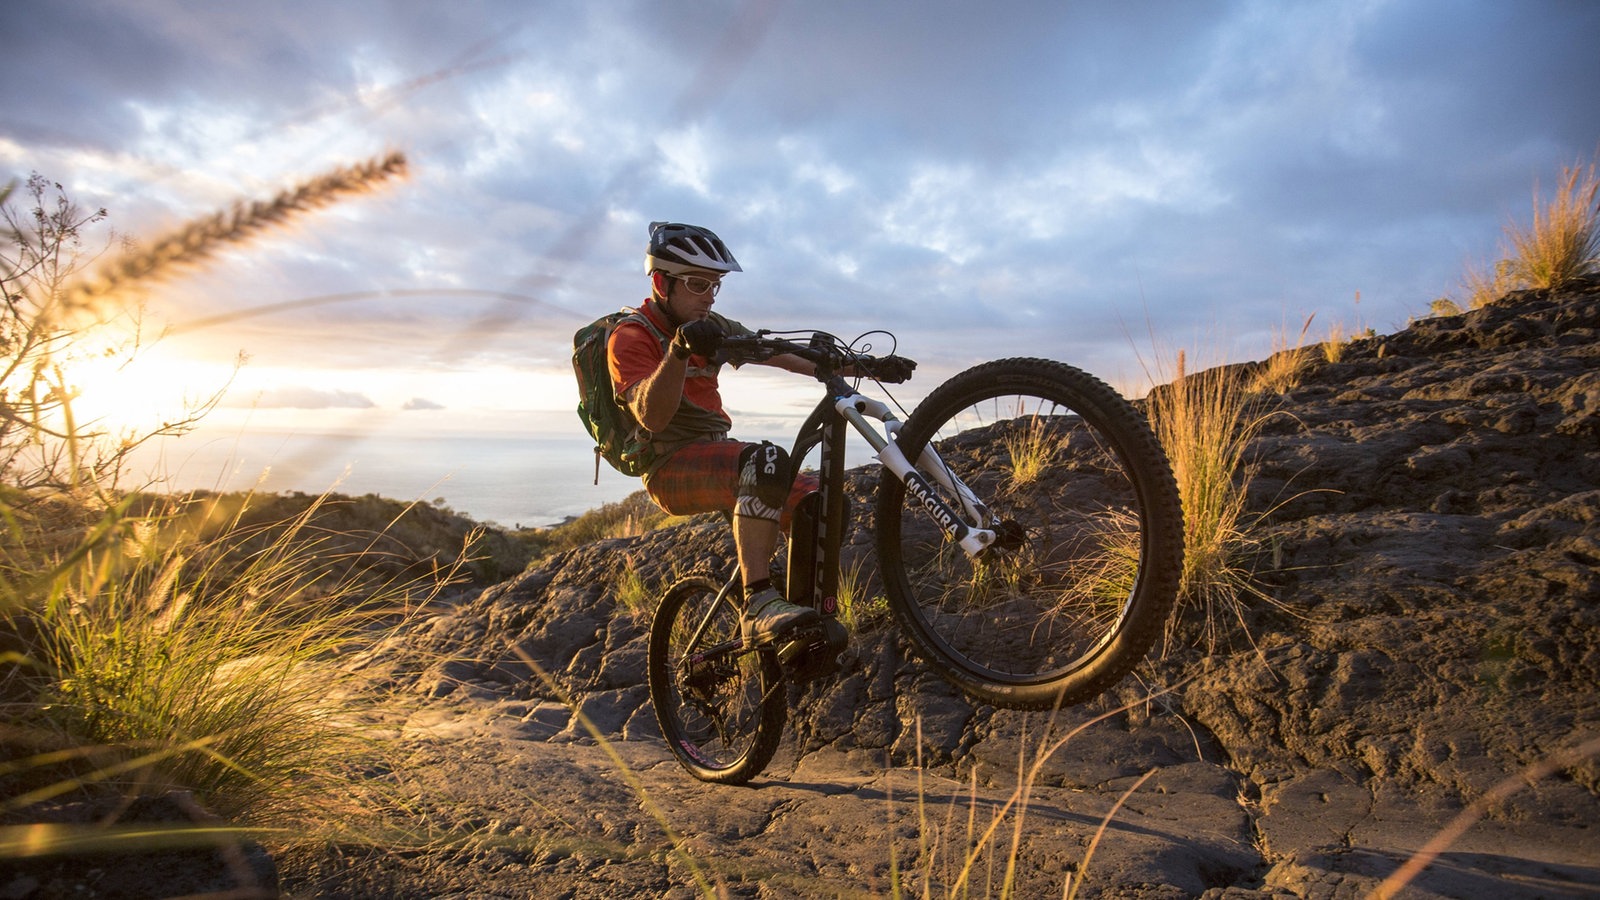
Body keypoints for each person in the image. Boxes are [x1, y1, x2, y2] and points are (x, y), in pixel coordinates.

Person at [608, 222, 913, 648]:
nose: (709, 296)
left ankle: (798, 631)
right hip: (668, 465)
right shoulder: (631, 336)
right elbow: (651, 417)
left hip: (717, 454)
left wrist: (867, 367)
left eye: (715, 286)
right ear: (661, 282)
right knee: (764, 459)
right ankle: (758, 604)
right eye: (698, 284)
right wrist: (678, 351)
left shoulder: (712, 323)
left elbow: (783, 355)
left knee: (822, 506)